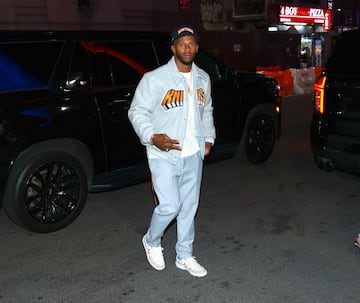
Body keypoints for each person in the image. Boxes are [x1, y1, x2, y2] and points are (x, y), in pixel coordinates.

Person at [128, 25, 216, 278]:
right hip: (162, 154)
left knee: (190, 206)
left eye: (191, 44)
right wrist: (152, 137)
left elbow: (206, 109)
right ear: (173, 48)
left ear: (197, 48)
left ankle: (184, 256)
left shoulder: (203, 78)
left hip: (193, 153)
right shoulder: (154, 79)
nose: (187, 48)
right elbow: (137, 111)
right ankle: (152, 241)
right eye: (181, 44)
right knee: (170, 206)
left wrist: (208, 138)